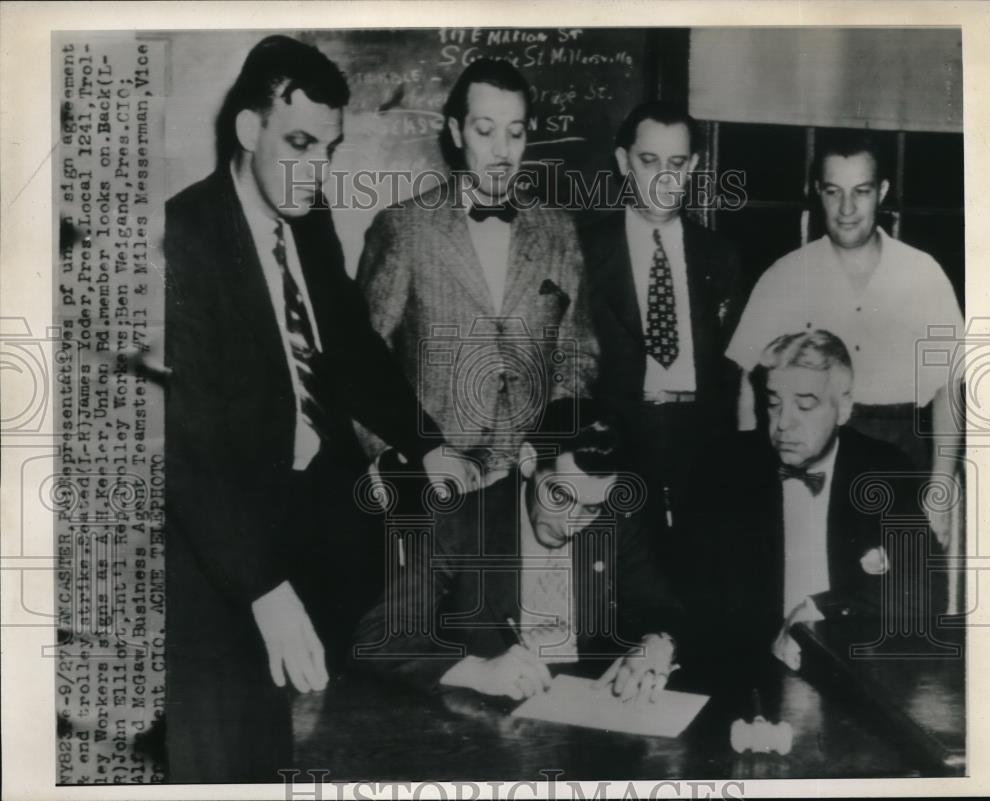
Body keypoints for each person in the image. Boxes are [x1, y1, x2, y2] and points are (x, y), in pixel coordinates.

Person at [164, 35, 468, 782]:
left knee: (331, 745)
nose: (316, 171)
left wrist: (424, 440)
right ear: (248, 129)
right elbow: (182, 448)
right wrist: (260, 587)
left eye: (328, 149)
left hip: (321, 529)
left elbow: (353, 348)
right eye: (299, 143)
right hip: (222, 554)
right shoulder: (181, 240)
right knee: (230, 760)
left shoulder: (307, 216)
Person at [356, 58, 598, 484]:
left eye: (516, 132)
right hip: (428, 473)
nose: (502, 151)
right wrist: (396, 462)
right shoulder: (405, 227)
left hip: (530, 478)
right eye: (485, 131)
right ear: (455, 132)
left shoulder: (558, 229)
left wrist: (546, 446)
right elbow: (363, 361)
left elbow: (577, 353)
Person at [354, 398, 685, 702]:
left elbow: (659, 606)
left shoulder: (617, 521)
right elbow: (377, 638)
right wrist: (478, 670)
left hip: (583, 715)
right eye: (559, 496)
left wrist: (658, 642)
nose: (572, 525)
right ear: (528, 462)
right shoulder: (459, 522)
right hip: (482, 719)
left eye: (591, 508)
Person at [725, 131, 963, 546]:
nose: (847, 208)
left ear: (882, 192)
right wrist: (754, 476)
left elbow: (950, 388)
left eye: (862, 191)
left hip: (900, 447)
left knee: (894, 590)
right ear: (818, 192)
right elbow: (750, 384)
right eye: (834, 192)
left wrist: (941, 486)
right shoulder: (785, 274)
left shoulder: (922, 273)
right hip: (810, 447)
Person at [681, 330, 929, 686]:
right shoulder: (722, 469)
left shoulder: (883, 469)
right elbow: (694, 596)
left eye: (805, 404)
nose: (783, 423)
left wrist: (819, 609)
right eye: (773, 402)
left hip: (851, 673)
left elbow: (923, 590)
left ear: (843, 407)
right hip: (749, 676)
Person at [579, 101, 743, 537]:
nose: (663, 179)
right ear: (623, 161)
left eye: (676, 163)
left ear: (693, 166)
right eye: (649, 162)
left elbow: (736, 374)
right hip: (614, 444)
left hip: (703, 446)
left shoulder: (721, 258)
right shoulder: (582, 252)